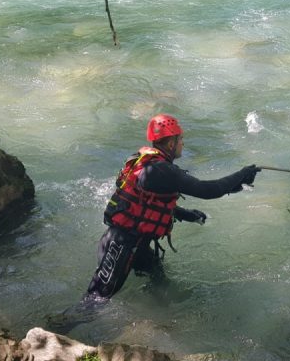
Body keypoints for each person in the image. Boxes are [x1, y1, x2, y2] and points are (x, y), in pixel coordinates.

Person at [84, 113, 261, 301]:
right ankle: (65, 321)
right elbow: (208, 190)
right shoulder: (162, 170)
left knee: (159, 282)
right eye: (180, 139)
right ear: (171, 144)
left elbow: (147, 204)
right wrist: (242, 173)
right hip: (120, 245)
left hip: (134, 243)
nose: (182, 143)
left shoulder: (148, 162)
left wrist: (187, 214)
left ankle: (155, 315)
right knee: (94, 302)